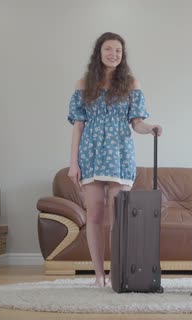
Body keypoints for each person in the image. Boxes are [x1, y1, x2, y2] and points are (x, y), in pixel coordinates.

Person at [67, 32, 163, 288]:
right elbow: (78, 125)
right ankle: (99, 276)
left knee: (119, 219)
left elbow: (137, 123)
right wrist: (73, 162)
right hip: (91, 154)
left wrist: (150, 127)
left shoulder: (131, 84)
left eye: (118, 51)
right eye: (109, 49)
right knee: (95, 216)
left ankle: (118, 273)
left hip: (120, 155)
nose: (114, 54)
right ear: (99, 53)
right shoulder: (83, 84)